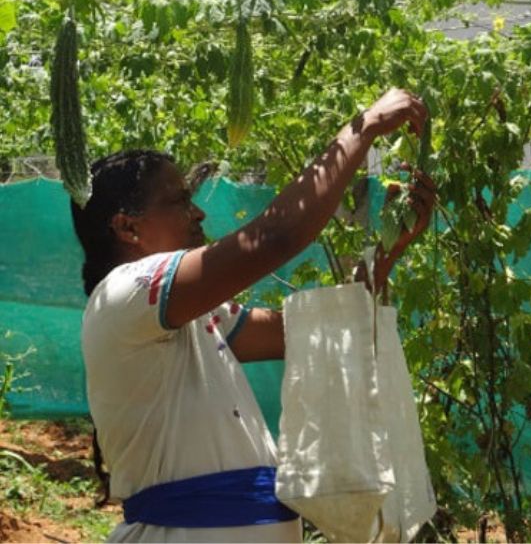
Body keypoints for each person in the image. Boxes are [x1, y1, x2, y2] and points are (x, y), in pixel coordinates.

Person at [71, 88, 436, 542]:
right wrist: (363, 128)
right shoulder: (124, 292)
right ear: (127, 227)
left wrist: (385, 253)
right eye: (180, 200)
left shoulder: (196, 320)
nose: (198, 211)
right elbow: (274, 237)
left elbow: (318, 332)